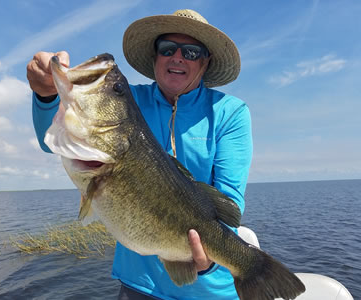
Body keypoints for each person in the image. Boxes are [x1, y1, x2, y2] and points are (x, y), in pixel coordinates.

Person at [28, 9, 252, 300]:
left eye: (192, 51)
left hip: (211, 291)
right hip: (137, 286)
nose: (178, 57)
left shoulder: (230, 112)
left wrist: (208, 261)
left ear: (205, 61)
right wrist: (46, 94)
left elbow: (228, 201)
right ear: (156, 56)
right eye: (167, 48)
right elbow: (53, 142)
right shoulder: (130, 100)